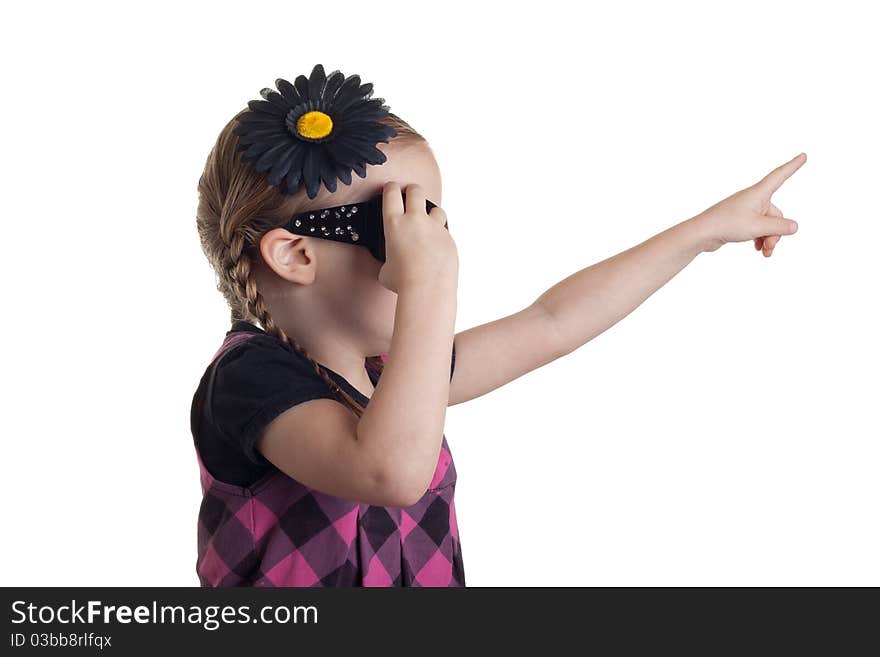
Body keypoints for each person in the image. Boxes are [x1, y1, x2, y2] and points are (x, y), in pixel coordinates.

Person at [191, 65, 804, 587]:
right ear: (297, 255)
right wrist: (431, 287)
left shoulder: (393, 376)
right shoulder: (250, 379)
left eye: (434, 225)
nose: (434, 249)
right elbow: (390, 472)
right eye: (401, 228)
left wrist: (703, 232)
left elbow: (553, 320)